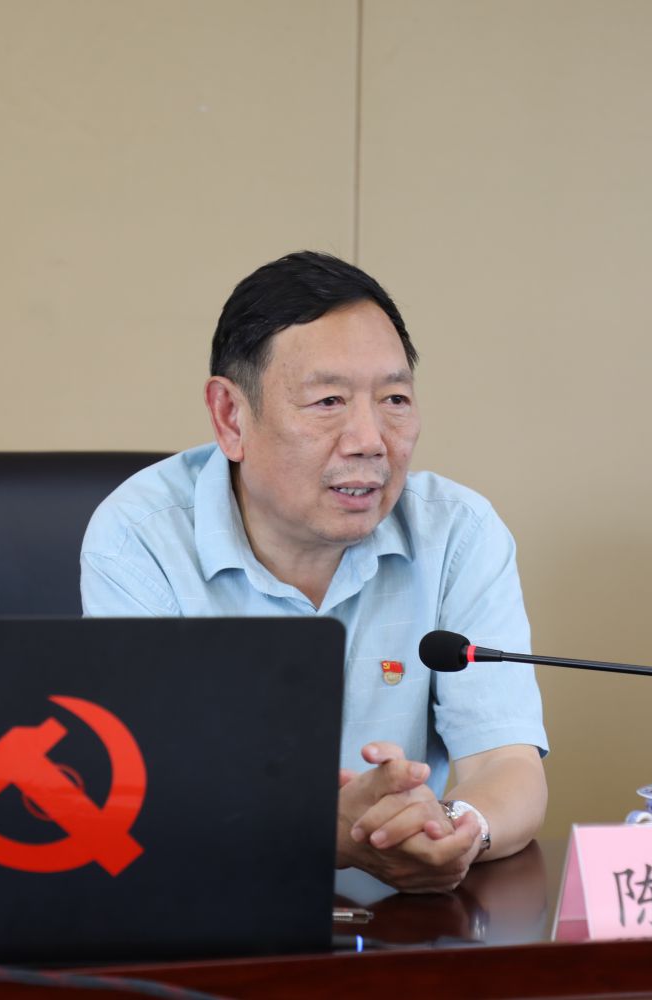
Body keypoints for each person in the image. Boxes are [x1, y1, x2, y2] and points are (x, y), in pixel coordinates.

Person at [81, 251, 547, 892]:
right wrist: (328, 831)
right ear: (231, 417)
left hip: (411, 922)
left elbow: (507, 764)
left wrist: (453, 828)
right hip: (212, 914)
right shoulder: (141, 537)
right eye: (328, 401)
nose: (370, 440)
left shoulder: (458, 532)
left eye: (395, 399)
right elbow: (146, 790)